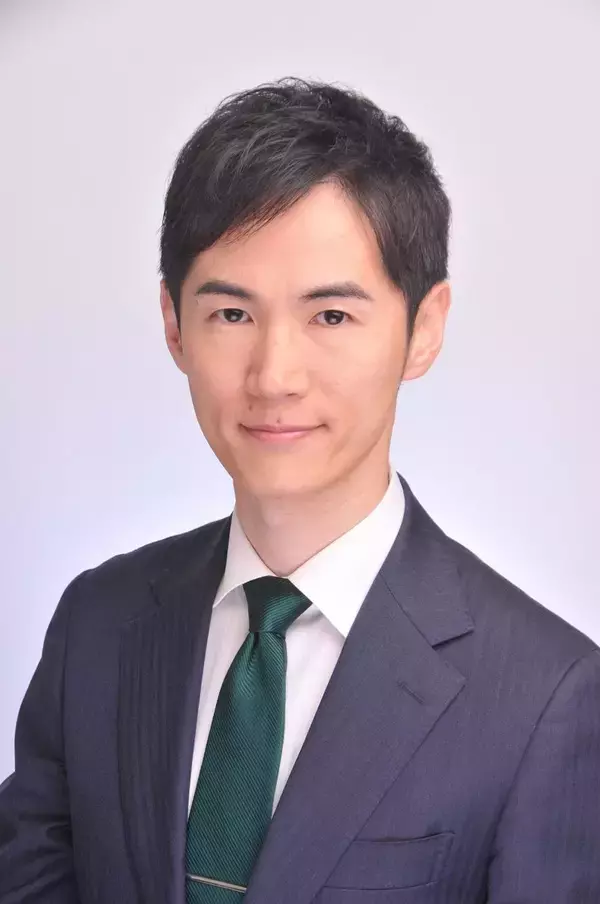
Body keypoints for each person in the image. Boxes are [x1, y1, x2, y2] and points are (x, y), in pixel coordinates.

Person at [1, 77, 599, 904]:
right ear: (174, 324)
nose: (274, 376)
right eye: (232, 315)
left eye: (331, 317)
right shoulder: (97, 626)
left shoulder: (546, 696)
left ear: (424, 329)